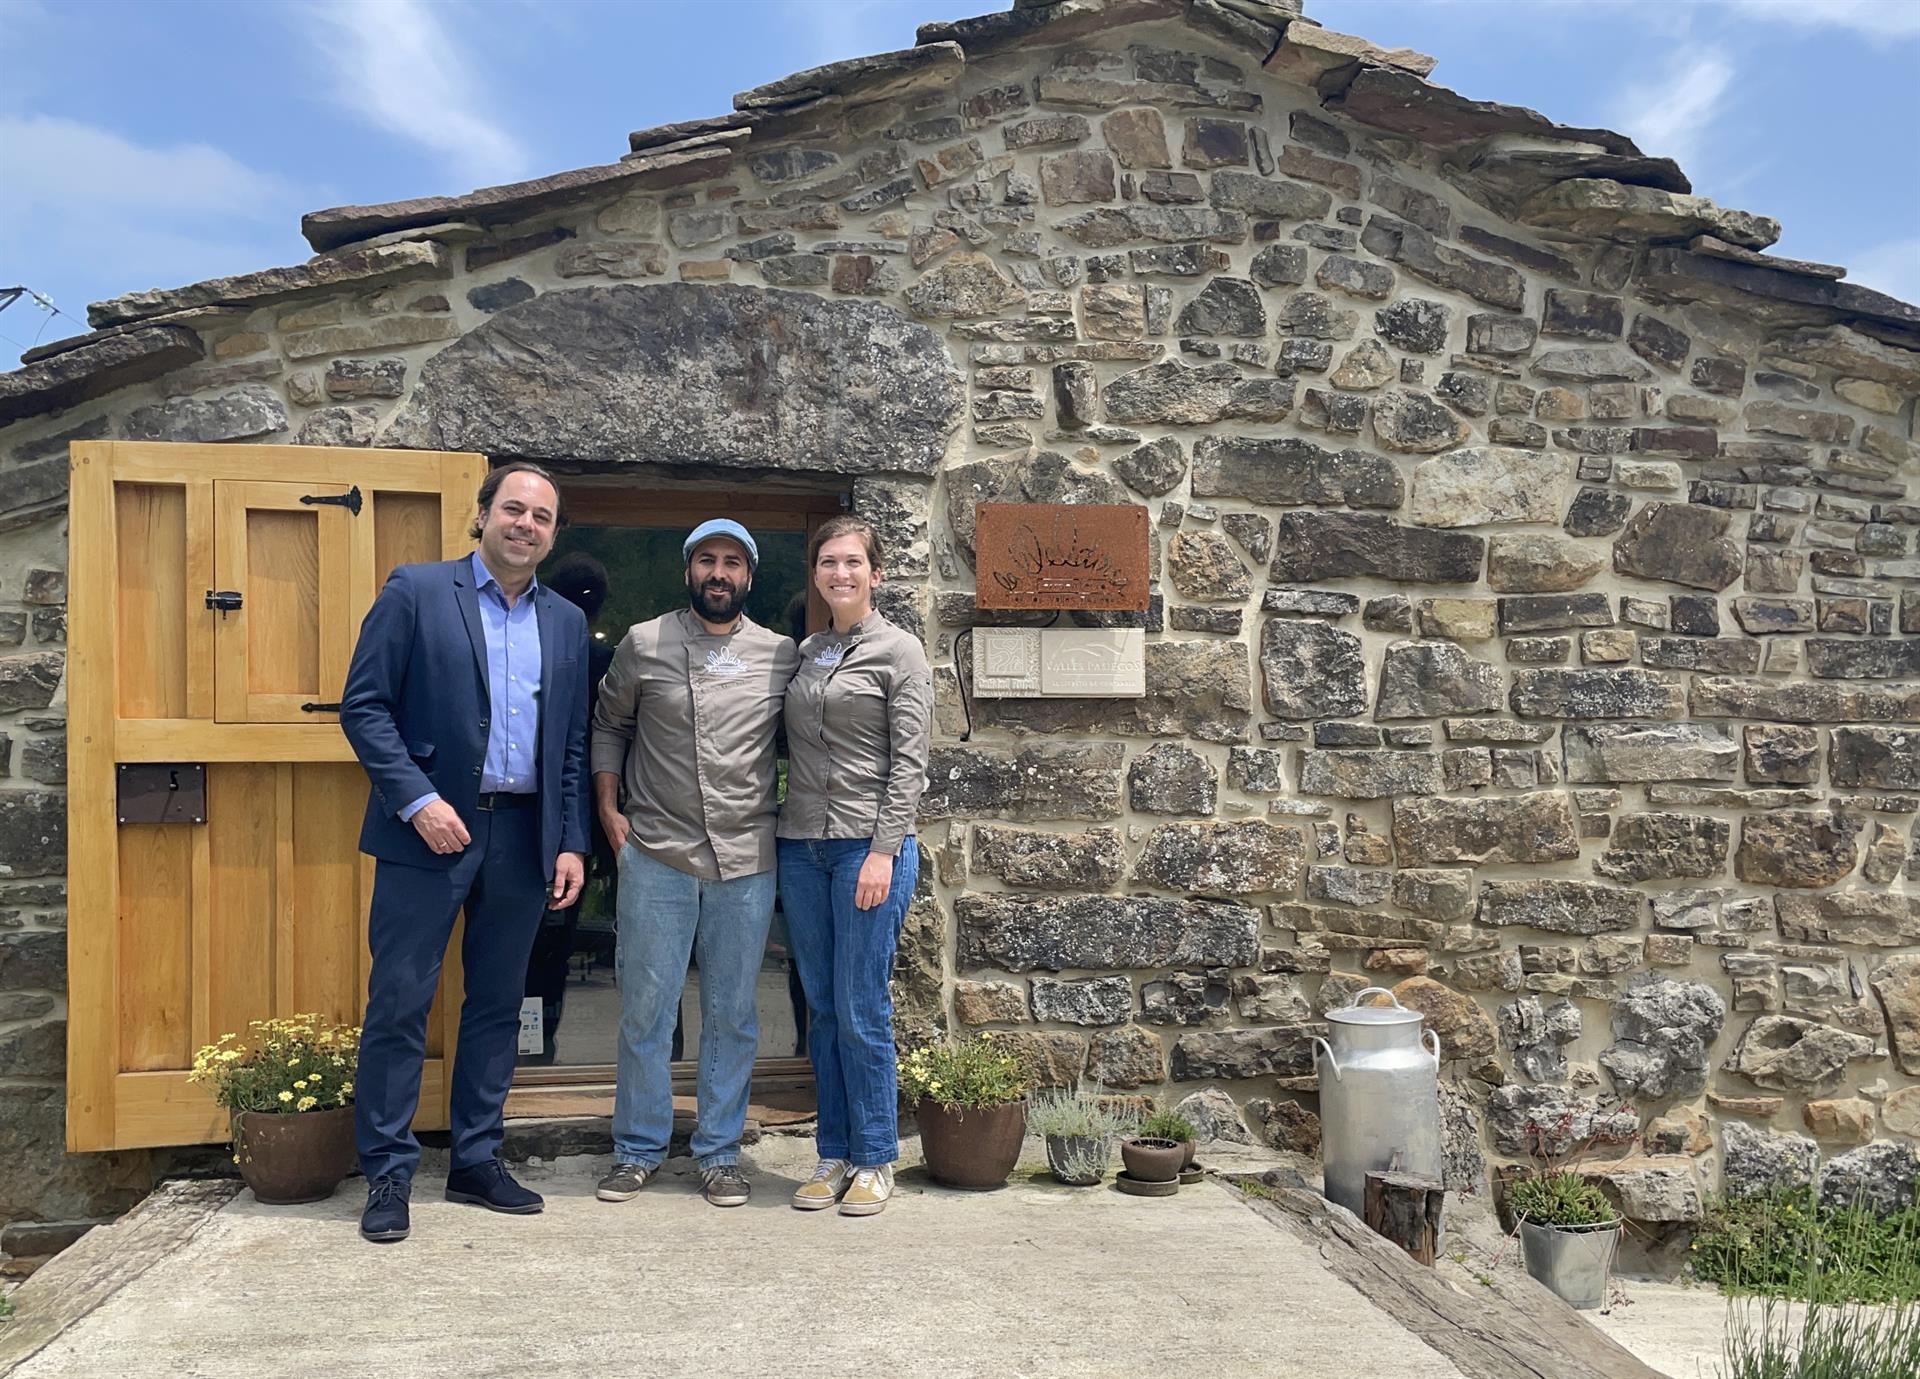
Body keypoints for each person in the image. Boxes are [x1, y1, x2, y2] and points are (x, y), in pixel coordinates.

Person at [340, 462, 591, 1244]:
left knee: (495, 1005)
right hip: (429, 834)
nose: (525, 523)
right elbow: (365, 707)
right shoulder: (416, 591)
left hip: (522, 836)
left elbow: (573, 745)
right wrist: (418, 800)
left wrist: (572, 840)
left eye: (541, 516)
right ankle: (387, 1169)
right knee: (400, 1004)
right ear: (481, 516)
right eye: (512, 508)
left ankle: (477, 1159)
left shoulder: (567, 624)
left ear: (553, 533)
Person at [590, 519, 799, 1208]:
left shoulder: (779, 654)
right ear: (688, 571)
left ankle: (718, 1152)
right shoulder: (644, 641)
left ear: (749, 575)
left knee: (734, 1013)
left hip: (746, 857)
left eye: (732, 562)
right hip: (657, 851)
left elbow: (809, 742)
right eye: (707, 559)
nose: (719, 572)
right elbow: (609, 727)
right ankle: (638, 1148)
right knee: (647, 1009)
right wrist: (609, 812)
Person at [776, 515, 932, 1217]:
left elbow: (910, 762)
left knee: (861, 1006)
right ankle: (833, 1152)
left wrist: (882, 848)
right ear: (816, 573)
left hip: (868, 849)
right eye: (828, 562)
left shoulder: (900, 651)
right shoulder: (807, 651)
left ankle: (874, 1157)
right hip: (802, 846)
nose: (840, 573)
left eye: (852, 562)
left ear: (877, 572)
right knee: (824, 1009)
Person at [521, 552, 618, 1064]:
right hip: (578, 819)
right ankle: (540, 1042)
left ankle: (531, 1049)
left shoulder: (590, 658)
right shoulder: (601, 660)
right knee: (549, 943)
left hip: (543, 816)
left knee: (527, 944)